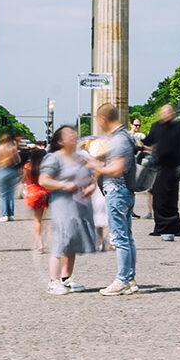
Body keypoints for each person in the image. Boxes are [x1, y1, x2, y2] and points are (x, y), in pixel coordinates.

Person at [40, 125, 97, 293]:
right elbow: (43, 180)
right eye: (69, 134)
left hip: (79, 205)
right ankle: (53, 280)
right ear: (60, 141)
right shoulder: (54, 158)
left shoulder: (80, 158)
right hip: (62, 205)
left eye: (74, 133)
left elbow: (91, 178)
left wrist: (91, 187)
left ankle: (66, 277)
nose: (73, 136)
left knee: (72, 240)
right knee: (60, 240)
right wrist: (64, 185)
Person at [88, 104, 138, 296]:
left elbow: (117, 170)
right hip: (124, 192)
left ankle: (122, 280)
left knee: (119, 238)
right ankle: (130, 278)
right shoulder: (126, 136)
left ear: (102, 119)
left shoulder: (118, 140)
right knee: (127, 236)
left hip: (117, 191)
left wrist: (96, 166)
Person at [147, 104, 180, 241]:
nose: (166, 115)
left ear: (173, 114)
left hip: (172, 167)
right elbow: (149, 139)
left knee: (170, 199)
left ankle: (172, 227)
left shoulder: (178, 127)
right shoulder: (157, 126)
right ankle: (161, 227)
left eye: (169, 112)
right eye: (164, 112)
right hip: (160, 167)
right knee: (158, 199)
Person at [23, 145, 49, 252]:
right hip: (43, 193)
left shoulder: (27, 167)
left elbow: (25, 180)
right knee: (42, 220)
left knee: (36, 220)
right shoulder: (45, 168)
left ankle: (39, 243)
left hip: (33, 194)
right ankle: (40, 240)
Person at [0, 134, 21, 222]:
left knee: (2, 195)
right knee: (10, 194)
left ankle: (4, 214)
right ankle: (11, 214)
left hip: (1, 170)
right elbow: (18, 160)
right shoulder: (12, 148)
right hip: (11, 170)